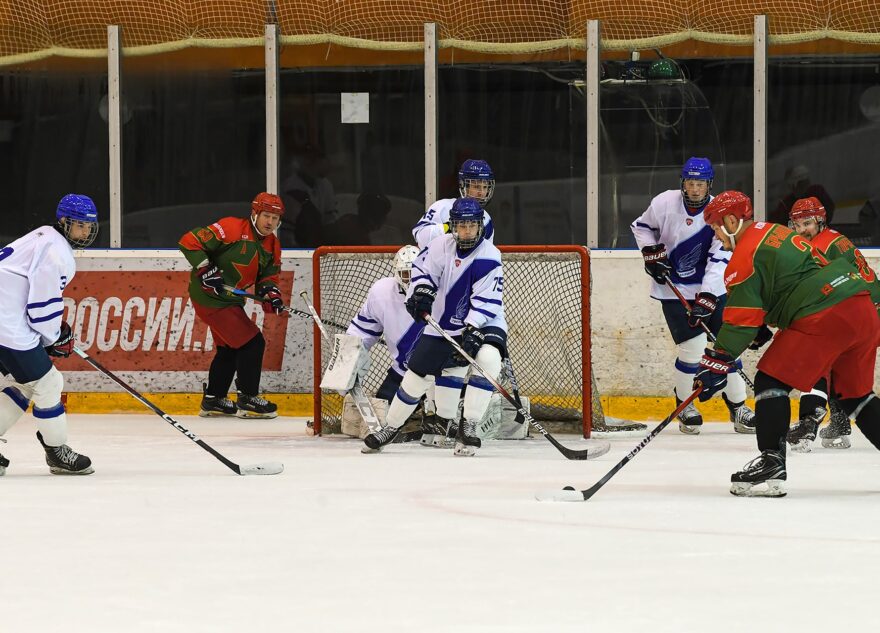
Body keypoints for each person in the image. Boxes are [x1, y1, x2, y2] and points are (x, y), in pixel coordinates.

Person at [694, 190, 880, 497]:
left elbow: (740, 322)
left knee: (770, 379)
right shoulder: (773, 232)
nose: (716, 235)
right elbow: (787, 282)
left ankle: (771, 463)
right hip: (860, 308)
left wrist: (716, 360)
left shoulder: (744, 254)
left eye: (715, 227)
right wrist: (763, 324)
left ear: (731, 221)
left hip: (827, 313)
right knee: (854, 395)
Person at [364, 197, 506, 456]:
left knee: (488, 358)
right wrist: (420, 292)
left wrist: (472, 328)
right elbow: (422, 272)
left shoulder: (489, 255)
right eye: (461, 226)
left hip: (485, 320)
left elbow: (486, 300)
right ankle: (391, 427)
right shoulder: (440, 246)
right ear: (453, 226)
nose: (467, 231)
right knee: (417, 375)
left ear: (480, 226)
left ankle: (469, 425)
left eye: (472, 226)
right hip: (443, 321)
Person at [630, 157, 755, 434]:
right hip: (673, 290)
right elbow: (641, 227)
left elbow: (718, 260)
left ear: (709, 184)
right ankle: (685, 404)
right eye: (690, 183)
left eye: (700, 183)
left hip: (714, 289)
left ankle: (738, 407)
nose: (695, 189)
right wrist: (650, 252)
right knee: (693, 348)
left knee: (727, 346)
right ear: (682, 183)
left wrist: (708, 296)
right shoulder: (664, 202)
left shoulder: (718, 211)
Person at [0, 194, 99, 476]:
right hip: (6, 325)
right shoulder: (56, 252)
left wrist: (51, 335)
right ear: (64, 221)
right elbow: (41, 306)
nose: (85, 232)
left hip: (6, 320)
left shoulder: (42, 235)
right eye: (79, 225)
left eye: (89, 226)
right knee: (48, 382)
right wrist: (53, 337)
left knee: (25, 383)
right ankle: (57, 451)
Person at [783, 196, 880, 451]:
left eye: (807, 223)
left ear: (820, 222)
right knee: (838, 368)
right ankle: (839, 422)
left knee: (816, 361)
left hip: (858, 313)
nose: (802, 230)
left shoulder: (823, 246)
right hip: (863, 312)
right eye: (797, 224)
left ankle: (808, 423)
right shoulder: (833, 240)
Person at [178, 192, 287, 419]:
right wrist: (205, 268)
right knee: (253, 343)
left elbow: (268, 277)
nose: (270, 222)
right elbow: (189, 241)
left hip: (231, 300)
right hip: (210, 297)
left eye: (275, 218)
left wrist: (271, 293)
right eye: (266, 216)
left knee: (230, 348)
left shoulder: (272, 245)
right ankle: (248, 397)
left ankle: (214, 399)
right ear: (255, 213)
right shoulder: (231, 228)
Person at [412, 159, 495, 249]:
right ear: (463, 186)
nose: (481, 192)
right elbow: (420, 237)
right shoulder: (442, 207)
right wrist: (449, 227)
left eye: (485, 187)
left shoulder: (486, 220)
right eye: (476, 186)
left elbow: (486, 252)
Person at [770, 164, 835, 226]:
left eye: (806, 182)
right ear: (794, 185)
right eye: (801, 183)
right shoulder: (785, 204)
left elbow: (829, 209)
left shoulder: (818, 191)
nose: (806, 185)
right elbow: (777, 221)